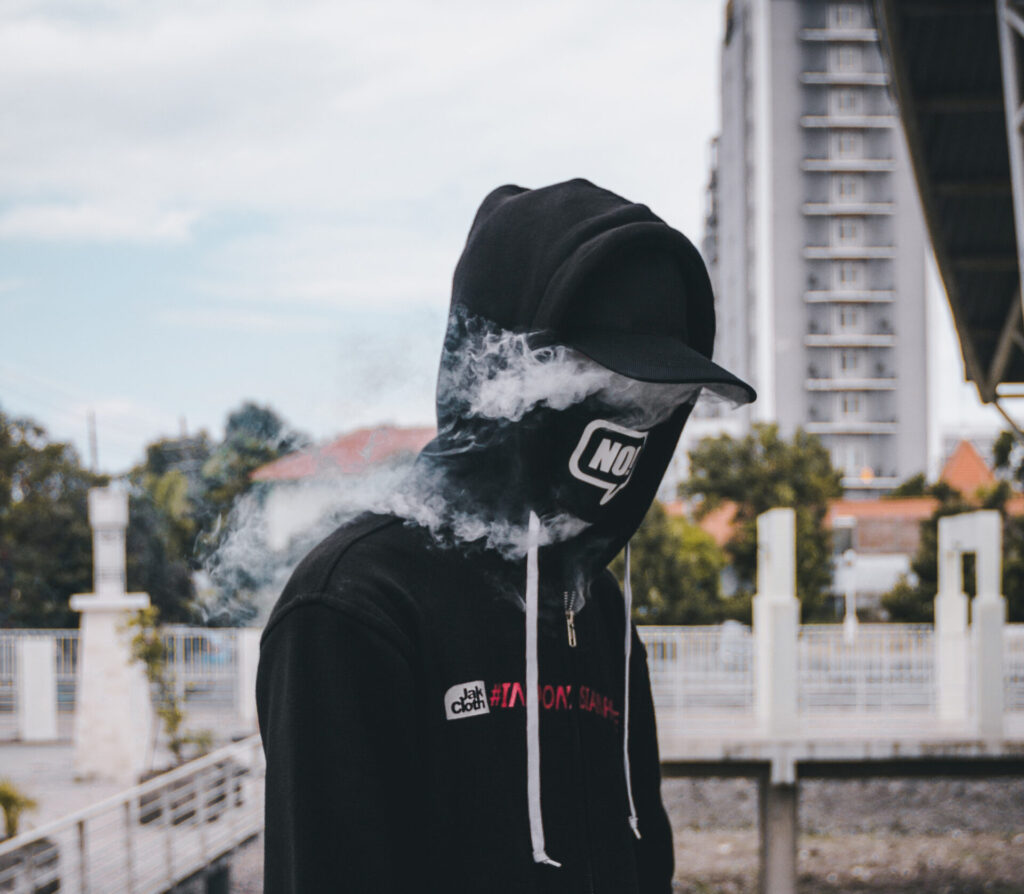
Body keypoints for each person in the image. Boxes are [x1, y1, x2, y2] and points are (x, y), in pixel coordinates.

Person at [256, 178, 755, 893]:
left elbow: (643, 859)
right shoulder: (353, 606)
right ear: (500, 373)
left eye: (661, 400)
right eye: (611, 386)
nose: (638, 422)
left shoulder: (597, 603)